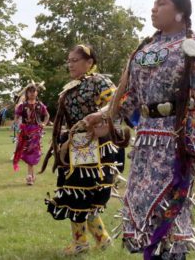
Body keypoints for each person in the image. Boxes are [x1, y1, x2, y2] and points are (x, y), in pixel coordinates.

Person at [85, 0, 195, 259]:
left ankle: (172, 255)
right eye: (153, 4)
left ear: (181, 12)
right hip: (147, 137)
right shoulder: (143, 50)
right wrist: (105, 115)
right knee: (140, 200)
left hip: (182, 136)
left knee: (168, 203)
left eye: (161, 4)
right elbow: (129, 95)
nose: (153, 9)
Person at [43, 44, 121, 256]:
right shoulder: (71, 86)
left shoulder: (100, 81)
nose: (70, 64)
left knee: (84, 192)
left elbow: (117, 104)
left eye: (75, 60)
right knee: (78, 193)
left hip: (97, 146)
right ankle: (101, 240)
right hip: (75, 145)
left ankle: (82, 243)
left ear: (89, 62)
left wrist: (104, 124)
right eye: (68, 60)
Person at [13, 83, 50, 185]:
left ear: (36, 93)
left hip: (36, 131)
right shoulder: (22, 105)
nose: (32, 93)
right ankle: (31, 176)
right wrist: (18, 126)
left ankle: (29, 176)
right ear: (27, 93)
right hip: (25, 131)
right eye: (30, 92)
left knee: (32, 151)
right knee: (25, 152)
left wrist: (44, 123)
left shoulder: (40, 105)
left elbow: (47, 115)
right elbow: (16, 117)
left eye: (34, 91)